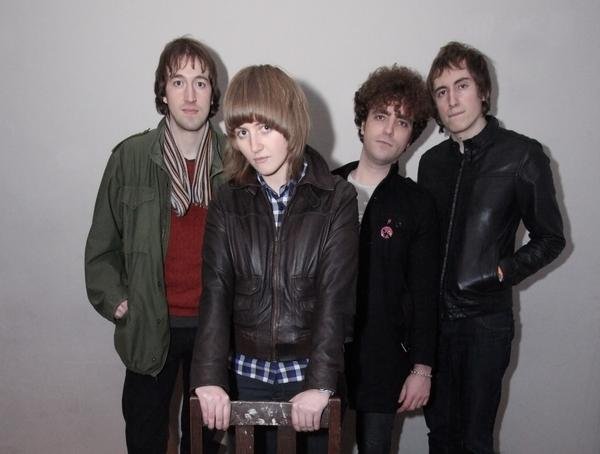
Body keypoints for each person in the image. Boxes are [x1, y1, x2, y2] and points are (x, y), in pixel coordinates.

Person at [190, 64, 358, 454]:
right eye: (242, 132)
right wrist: (209, 376)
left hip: (308, 374)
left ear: (291, 122)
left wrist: (321, 383)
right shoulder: (227, 200)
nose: (255, 145)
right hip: (246, 376)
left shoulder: (337, 198)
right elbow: (215, 290)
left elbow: (335, 297)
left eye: (265, 128)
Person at [418, 41, 566, 453]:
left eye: (462, 85)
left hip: (485, 323)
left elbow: (551, 238)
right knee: (440, 437)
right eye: (442, 91)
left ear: (483, 91)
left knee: (475, 440)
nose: (452, 99)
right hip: (435, 326)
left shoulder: (522, 155)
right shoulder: (431, 164)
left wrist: (502, 271)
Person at [84, 37, 224, 454]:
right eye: (178, 82)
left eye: (200, 83)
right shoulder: (130, 157)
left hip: (214, 328)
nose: (190, 95)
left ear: (213, 93)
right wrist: (117, 300)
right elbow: (102, 246)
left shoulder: (235, 161)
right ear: (163, 92)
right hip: (149, 325)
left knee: (205, 442)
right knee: (145, 438)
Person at [333, 65, 439, 454]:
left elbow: (425, 292)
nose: (389, 129)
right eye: (381, 116)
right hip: (322, 355)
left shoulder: (417, 204)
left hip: (383, 357)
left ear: (411, 137)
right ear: (363, 122)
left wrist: (422, 368)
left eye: (402, 122)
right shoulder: (324, 188)